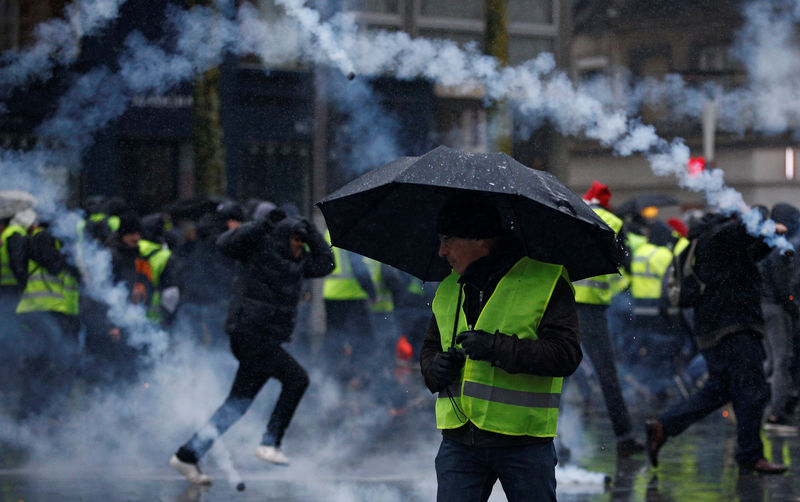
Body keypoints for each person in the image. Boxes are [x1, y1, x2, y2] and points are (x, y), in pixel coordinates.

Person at [419, 192, 582, 502]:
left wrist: (496, 347)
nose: (441, 251)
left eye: (448, 240)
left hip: (524, 444)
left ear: (479, 240)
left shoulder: (545, 281)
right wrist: (434, 368)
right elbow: (430, 347)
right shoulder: (449, 287)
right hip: (459, 443)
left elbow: (566, 354)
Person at [170, 210, 334, 485]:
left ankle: (188, 455)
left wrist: (311, 231)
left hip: (267, 338)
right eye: (295, 239)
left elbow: (327, 264)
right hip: (249, 334)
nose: (298, 246)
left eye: (302, 242)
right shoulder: (260, 248)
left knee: (237, 405)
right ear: (283, 237)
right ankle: (270, 442)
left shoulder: (300, 261)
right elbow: (225, 244)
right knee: (297, 379)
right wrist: (263, 224)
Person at [646, 210, 788, 474]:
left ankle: (664, 426)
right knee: (752, 390)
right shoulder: (718, 237)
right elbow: (741, 231)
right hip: (733, 327)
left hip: (718, 328)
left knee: (719, 390)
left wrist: (770, 238)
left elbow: (750, 254)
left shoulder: (712, 244)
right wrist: (765, 222)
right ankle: (750, 454)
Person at [574, 181, 644, 456]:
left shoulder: (570, 212)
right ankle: (624, 437)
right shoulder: (613, 220)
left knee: (555, 374)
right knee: (607, 375)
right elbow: (625, 260)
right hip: (592, 309)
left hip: (563, 304)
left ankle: (548, 441)